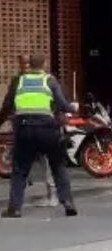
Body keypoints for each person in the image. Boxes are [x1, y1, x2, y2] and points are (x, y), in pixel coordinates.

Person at [0, 54, 78, 218]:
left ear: (29, 65)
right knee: (58, 166)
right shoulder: (49, 80)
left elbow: (7, 106)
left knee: (20, 170)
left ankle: (14, 209)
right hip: (47, 129)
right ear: (44, 63)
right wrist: (73, 108)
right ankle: (68, 202)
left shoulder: (18, 81)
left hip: (23, 129)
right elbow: (62, 104)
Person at [14, 55, 57, 207]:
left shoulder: (46, 80)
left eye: (27, 64)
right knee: (23, 164)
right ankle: (18, 201)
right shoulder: (19, 81)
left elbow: (59, 100)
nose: (25, 67)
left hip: (43, 126)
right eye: (22, 64)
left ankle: (52, 195)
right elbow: (9, 103)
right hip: (28, 127)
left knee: (46, 162)